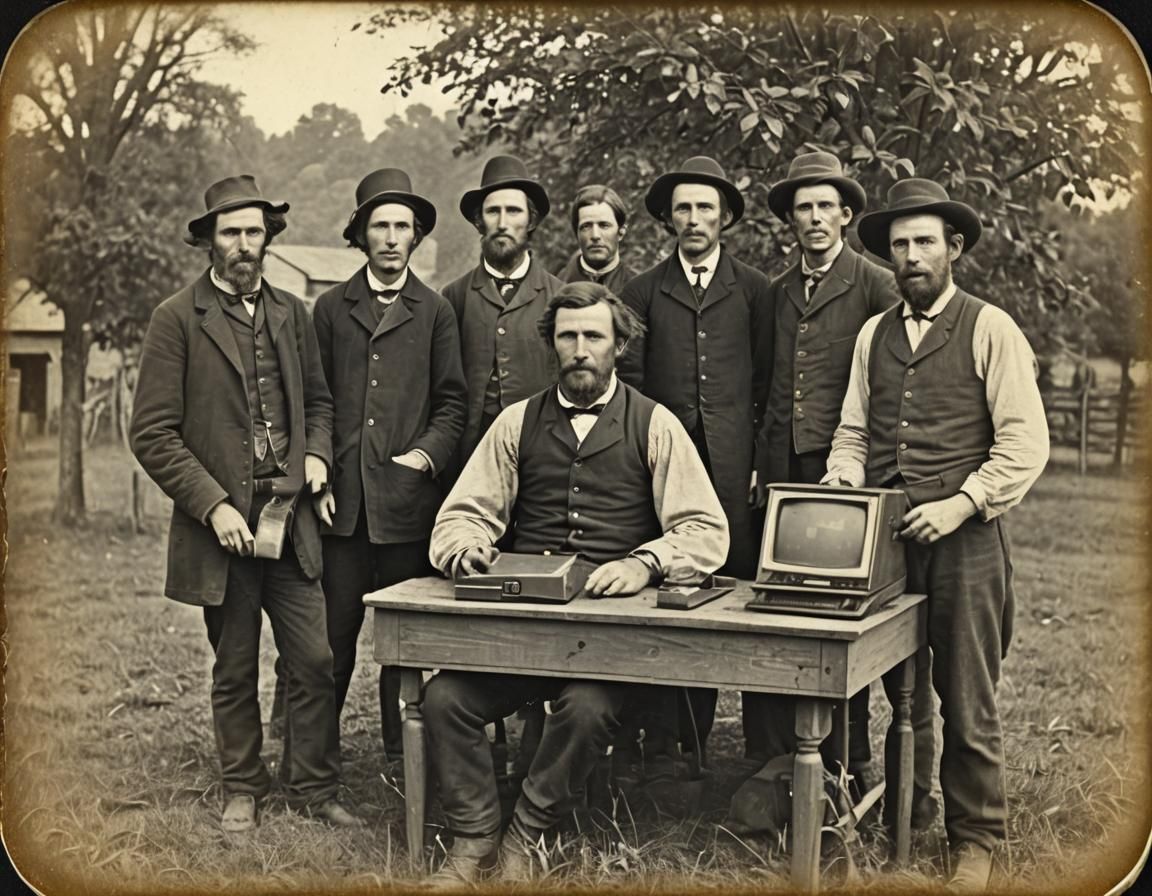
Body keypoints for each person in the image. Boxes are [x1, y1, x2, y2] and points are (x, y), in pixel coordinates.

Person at [422, 282, 729, 887]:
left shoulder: (655, 424)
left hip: (611, 642)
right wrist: (465, 546)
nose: (580, 349)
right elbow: (461, 513)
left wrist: (646, 562)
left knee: (585, 709)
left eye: (594, 336)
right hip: (524, 632)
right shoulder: (516, 422)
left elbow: (705, 529)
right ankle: (474, 833)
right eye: (568, 336)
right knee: (444, 698)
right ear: (551, 344)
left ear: (619, 345)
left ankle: (526, 834)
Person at [823, 178, 1049, 891]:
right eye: (900, 245)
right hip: (889, 542)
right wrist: (842, 475)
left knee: (965, 693)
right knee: (895, 689)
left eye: (925, 243)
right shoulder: (873, 334)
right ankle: (904, 813)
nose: (911, 256)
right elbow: (853, 430)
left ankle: (975, 837)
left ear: (954, 249)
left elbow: (1024, 444)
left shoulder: (991, 328)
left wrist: (963, 503)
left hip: (966, 542)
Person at [130, 175, 361, 832]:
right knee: (235, 664)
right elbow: (151, 432)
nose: (243, 244)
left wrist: (316, 456)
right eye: (230, 232)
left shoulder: (292, 311)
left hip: (291, 524)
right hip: (222, 531)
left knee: (315, 659)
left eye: (254, 231)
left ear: (268, 237)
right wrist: (213, 506)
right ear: (208, 239)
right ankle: (243, 783)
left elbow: (318, 402)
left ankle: (313, 785)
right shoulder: (176, 318)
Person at [742, 152, 901, 783]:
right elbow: (768, 386)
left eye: (825, 206)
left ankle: (849, 755)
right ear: (792, 220)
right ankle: (775, 753)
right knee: (778, 600)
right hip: (784, 466)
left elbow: (889, 386)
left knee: (840, 609)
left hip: (847, 468)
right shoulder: (778, 290)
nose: (814, 218)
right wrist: (760, 463)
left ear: (845, 214)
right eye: (802, 207)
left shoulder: (875, 283)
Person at [618, 155, 773, 758]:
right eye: (682, 208)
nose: (693, 218)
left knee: (729, 586)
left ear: (725, 217)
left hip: (734, 469)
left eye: (705, 207)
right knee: (667, 588)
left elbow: (766, 380)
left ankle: (738, 744)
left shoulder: (755, 289)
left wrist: (756, 455)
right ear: (668, 219)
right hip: (663, 468)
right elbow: (629, 383)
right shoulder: (642, 290)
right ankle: (662, 738)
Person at [310, 168, 466, 759]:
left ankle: (406, 758)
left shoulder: (434, 311)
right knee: (332, 640)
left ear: (418, 236)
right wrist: (318, 463)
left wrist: (419, 460)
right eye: (381, 225)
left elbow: (452, 402)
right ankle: (316, 757)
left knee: (405, 643)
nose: (393, 237)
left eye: (404, 226)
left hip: (407, 506)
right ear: (361, 235)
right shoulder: (329, 308)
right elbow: (315, 397)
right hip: (342, 509)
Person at [441, 155, 565, 463]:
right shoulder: (453, 297)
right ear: (479, 221)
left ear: (531, 220)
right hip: (468, 455)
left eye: (513, 211)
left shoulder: (559, 296)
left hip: (540, 452)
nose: (503, 223)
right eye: (493, 211)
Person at [556, 183, 639, 293]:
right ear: (577, 233)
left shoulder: (639, 287)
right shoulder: (556, 286)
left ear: (621, 232)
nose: (595, 235)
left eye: (604, 225)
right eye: (586, 226)